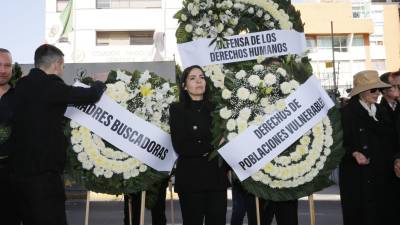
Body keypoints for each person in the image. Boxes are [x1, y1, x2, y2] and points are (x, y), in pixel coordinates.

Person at [10, 44, 106, 225]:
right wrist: (100, 83)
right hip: (44, 177)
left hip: (19, 176)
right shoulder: (51, 86)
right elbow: (90, 96)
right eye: (63, 66)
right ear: (57, 64)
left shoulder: (21, 86)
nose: (62, 71)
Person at [169, 65, 228, 225]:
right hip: (190, 180)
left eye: (201, 77)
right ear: (184, 85)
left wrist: (204, 144)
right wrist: (215, 143)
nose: (198, 81)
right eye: (193, 78)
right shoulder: (177, 109)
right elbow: (181, 146)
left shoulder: (218, 108)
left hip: (216, 178)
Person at [339, 70, 392, 225]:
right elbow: (338, 145)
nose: (378, 94)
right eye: (373, 90)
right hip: (358, 180)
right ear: (361, 92)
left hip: (382, 178)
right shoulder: (346, 114)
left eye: (379, 90)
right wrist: (354, 153)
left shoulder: (383, 111)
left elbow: (392, 140)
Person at [0, 48, 19, 225]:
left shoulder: (20, 97)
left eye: (7, 65)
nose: (3, 70)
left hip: (12, 174)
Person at [378, 71, 400, 224]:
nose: (397, 89)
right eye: (393, 86)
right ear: (384, 90)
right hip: (390, 165)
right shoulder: (379, 111)